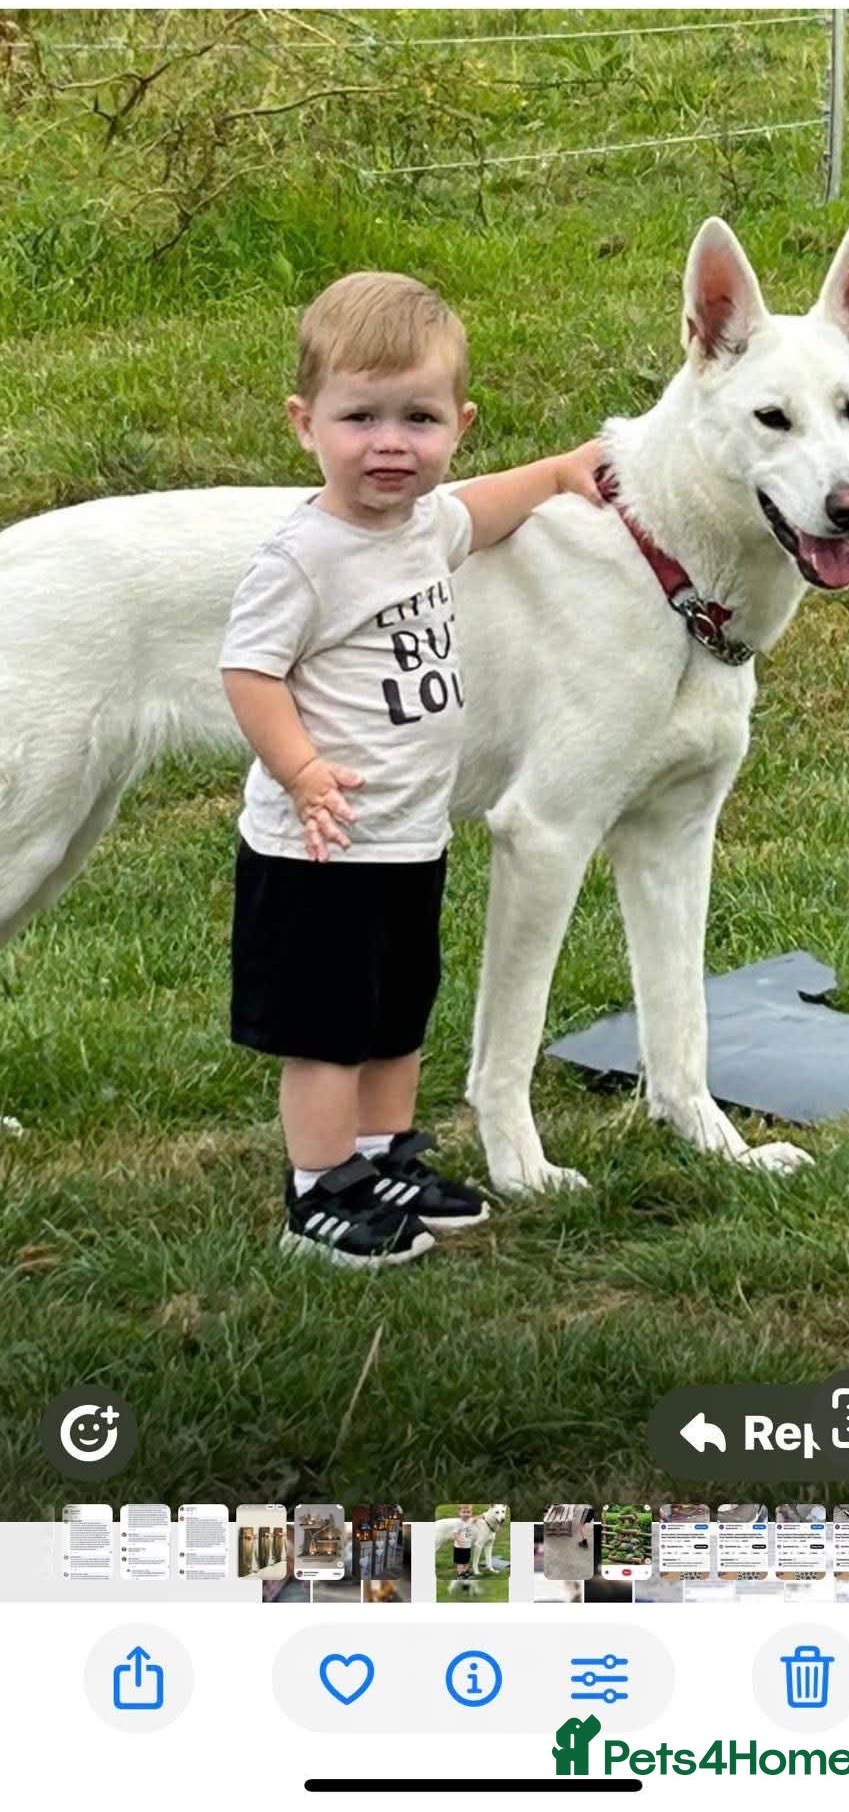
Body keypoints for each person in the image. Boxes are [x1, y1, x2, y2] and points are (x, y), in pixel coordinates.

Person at [220, 269, 602, 1269]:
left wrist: (560, 470)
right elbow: (248, 669)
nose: (391, 442)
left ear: (459, 423)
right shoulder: (305, 555)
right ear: (305, 423)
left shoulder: (425, 525)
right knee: (329, 1029)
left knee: (396, 1013)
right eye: (361, 417)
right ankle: (319, 1188)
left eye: (419, 418)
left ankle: (384, 1154)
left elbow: (480, 509)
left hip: (406, 833)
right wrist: (300, 769)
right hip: (320, 843)